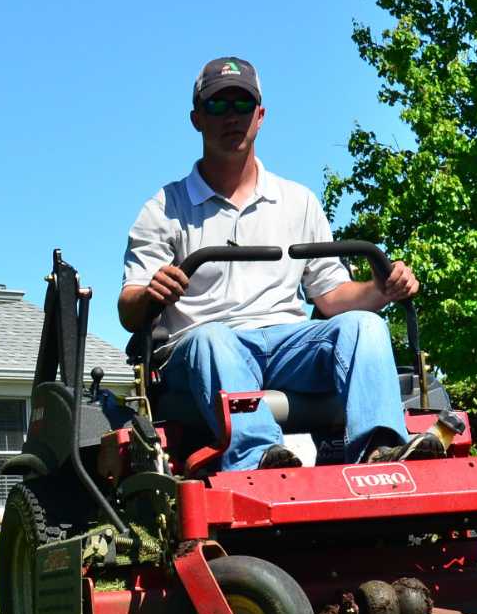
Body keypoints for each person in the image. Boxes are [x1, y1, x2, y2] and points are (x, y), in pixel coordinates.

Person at [119, 56, 445, 471]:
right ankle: (261, 458)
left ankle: (379, 448)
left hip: (290, 345)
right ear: (197, 118)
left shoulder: (298, 200)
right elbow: (129, 308)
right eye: (218, 106)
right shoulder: (165, 208)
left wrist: (382, 290)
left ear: (260, 115)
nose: (231, 117)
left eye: (242, 105)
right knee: (213, 339)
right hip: (205, 351)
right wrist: (150, 293)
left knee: (365, 325)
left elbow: (330, 296)